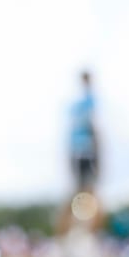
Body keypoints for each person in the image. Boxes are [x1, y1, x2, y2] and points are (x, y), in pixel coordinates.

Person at [56, 71, 102, 236]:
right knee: (85, 193)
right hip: (84, 152)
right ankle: (75, 233)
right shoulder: (87, 102)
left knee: (82, 193)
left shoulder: (77, 104)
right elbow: (94, 130)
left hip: (78, 152)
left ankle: (76, 233)